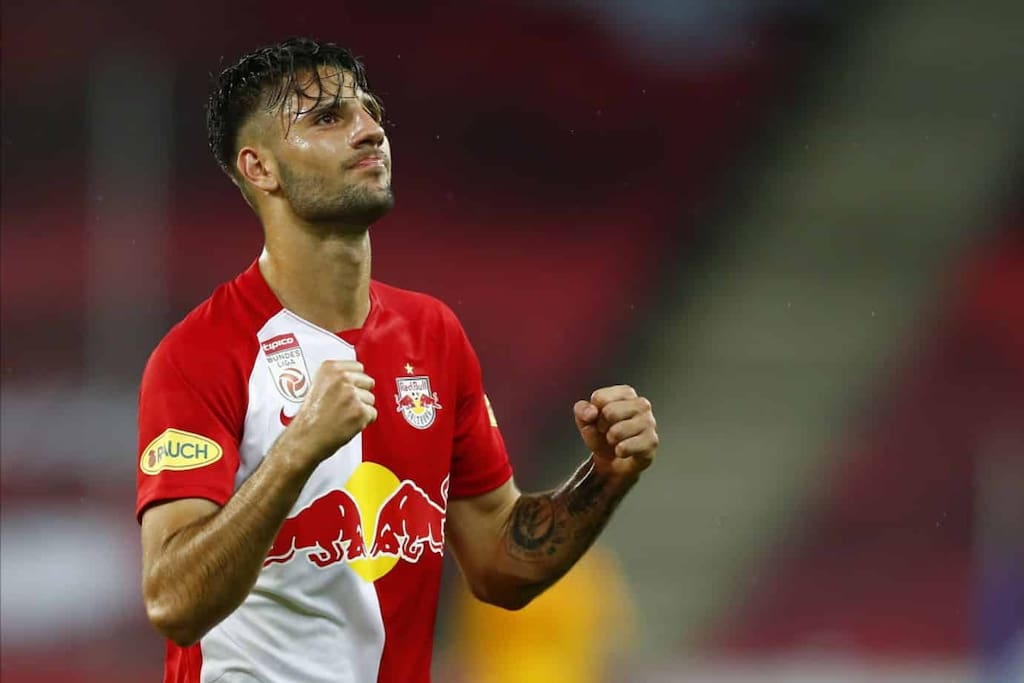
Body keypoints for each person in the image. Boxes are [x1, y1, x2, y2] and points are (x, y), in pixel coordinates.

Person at [136, 37, 659, 683]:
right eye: (329, 118)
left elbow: (502, 565)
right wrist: (296, 453)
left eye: (370, 111)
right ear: (259, 167)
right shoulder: (201, 353)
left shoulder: (431, 333)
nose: (370, 131)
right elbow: (173, 601)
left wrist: (606, 472)